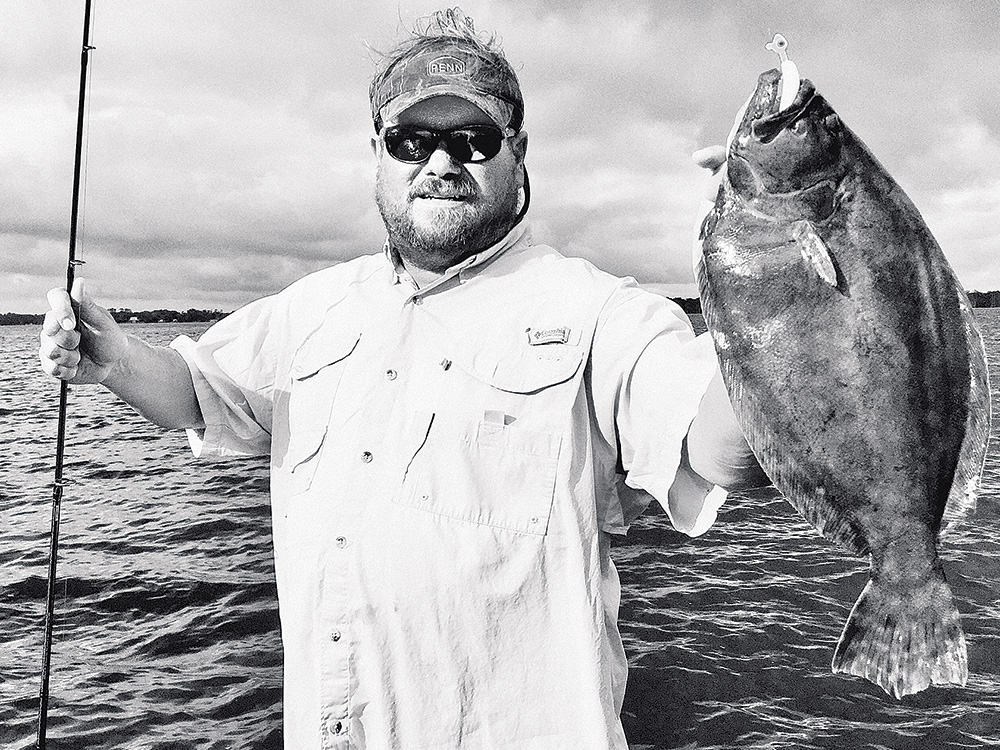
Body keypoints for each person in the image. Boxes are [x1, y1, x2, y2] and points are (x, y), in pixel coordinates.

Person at [39, 9, 765, 749]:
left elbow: (725, 451)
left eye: (472, 140)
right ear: (379, 156)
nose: (441, 162)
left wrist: (768, 285)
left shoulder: (599, 311)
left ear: (519, 154)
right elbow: (200, 391)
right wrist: (117, 359)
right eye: (412, 140)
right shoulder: (313, 308)